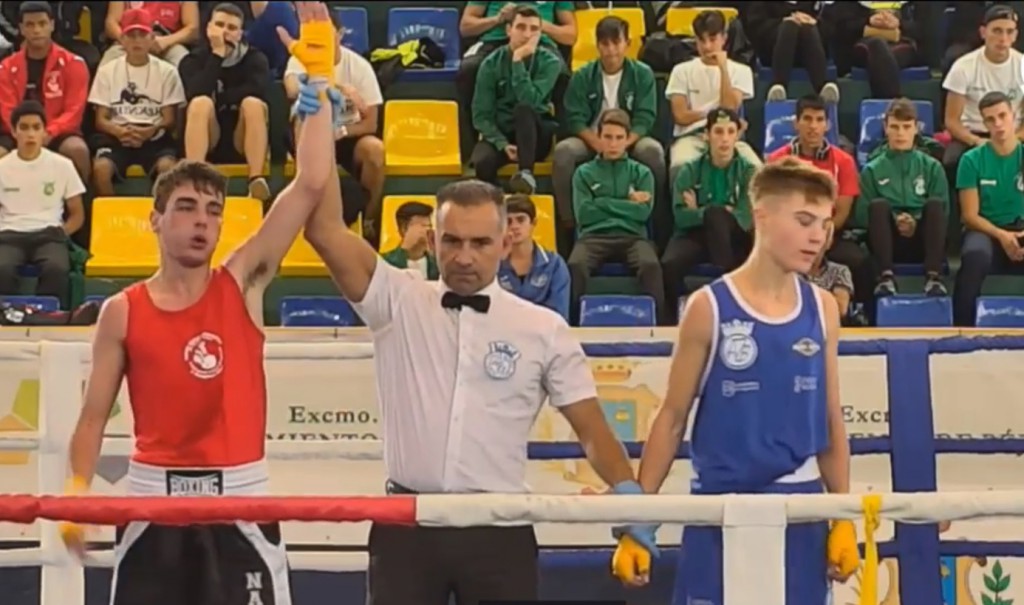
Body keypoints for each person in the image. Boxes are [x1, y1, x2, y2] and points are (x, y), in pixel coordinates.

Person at [301, 106, 642, 605]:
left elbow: (592, 429)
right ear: (432, 239)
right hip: (406, 525)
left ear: (505, 242)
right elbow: (324, 229)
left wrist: (632, 505)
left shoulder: (544, 328)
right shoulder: (397, 299)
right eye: (452, 241)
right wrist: (316, 119)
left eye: (480, 242)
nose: (464, 256)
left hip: (499, 529)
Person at [59, 4, 337, 604]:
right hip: (150, 498)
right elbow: (90, 419)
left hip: (240, 495)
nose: (202, 223)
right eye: (186, 207)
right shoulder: (123, 311)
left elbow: (311, 184)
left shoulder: (242, 284)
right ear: (155, 219)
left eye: (213, 211)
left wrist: (318, 76)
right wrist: (77, 494)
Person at [610, 158, 860, 605]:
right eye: (804, 221)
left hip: (801, 508)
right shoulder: (710, 307)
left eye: (824, 223)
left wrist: (842, 512)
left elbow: (830, 417)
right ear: (761, 216)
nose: (818, 236)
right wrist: (639, 518)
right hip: (718, 508)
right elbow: (671, 418)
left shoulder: (824, 308)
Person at [554, 15, 664, 251]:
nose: (611, 50)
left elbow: (645, 117)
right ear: (597, 45)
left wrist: (623, 142)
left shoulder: (642, 74)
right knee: (564, 152)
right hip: (592, 138)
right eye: (605, 43)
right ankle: (569, 225)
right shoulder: (583, 76)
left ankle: (656, 222)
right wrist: (598, 142)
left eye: (616, 43)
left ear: (628, 43)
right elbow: (574, 118)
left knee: (652, 151)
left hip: (630, 138)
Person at [284, 9, 384, 243]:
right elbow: (291, 88)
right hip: (309, 134)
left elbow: (371, 123)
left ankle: (368, 220)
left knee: (375, 151)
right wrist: (336, 87)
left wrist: (339, 132)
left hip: (346, 134)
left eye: (326, 34)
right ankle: (306, 202)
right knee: (305, 117)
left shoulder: (360, 67)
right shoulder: (301, 58)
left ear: (340, 34)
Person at [767, 95, 872, 313]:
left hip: (829, 232)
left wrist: (822, 233)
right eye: (807, 119)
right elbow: (773, 205)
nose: (813, 126)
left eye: (819, 120)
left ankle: (860, 315)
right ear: (796, 123)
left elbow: (842, 211)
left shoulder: (843, 161)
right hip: (790, 234)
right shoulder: (777, 161)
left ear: (827, 124)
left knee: (861, 262)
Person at [567, 108, 664, 325]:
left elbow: (643, 213)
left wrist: (600, 202)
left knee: (651, 265)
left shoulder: (642, 173)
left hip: (633, 236)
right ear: (599, 138)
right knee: (575, 266)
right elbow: (584, 214)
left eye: (619, 138)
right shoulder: (583, 173)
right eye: (608, 137)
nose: (613, 143)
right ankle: (571, 327)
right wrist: (626, 202)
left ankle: (661, 326)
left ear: (627, 139)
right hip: (593, 236)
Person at [87, 7, 186, 196]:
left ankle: (159, 217)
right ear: (122, 39)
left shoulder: (167, 72)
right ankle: (112, 219)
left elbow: (169, 119)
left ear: (152, 38)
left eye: (142, 35)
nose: (137, 41)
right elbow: (101, 119)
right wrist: (119, 131)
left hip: (154, 135)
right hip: (117, 135)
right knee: (101, 170)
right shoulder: (107, 70)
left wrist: (148, 131)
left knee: (168, 169)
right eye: (131, 35)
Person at [180, 2, 272, 202]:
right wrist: (217, 55)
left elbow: (257, 90)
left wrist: (222, 97)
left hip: (242, 138)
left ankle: (256, 179)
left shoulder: (255, 59)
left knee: (253, 104)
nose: (225, 32)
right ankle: (194, 179)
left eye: (232, 28)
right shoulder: (194, 60)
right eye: (220, 25)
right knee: (200, 103)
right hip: (210, 138)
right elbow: (195, 92)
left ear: (240, 34)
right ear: (208, 28)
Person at [859, 98, 949, 297]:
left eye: (906, 127)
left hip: (923, 239)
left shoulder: (932, 167)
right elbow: (862, 217)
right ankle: (885, 278)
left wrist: (915, 222)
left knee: (934, 205)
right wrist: (895, 219)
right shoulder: (872, 169)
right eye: (895, 127)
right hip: (886, 239)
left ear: (916, 128)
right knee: (878, 206)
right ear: (885, 127)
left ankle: (934, 278)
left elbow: (944, 213)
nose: (900, 133)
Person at [0, 100, 85, 308]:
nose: (30, 134)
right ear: (13, 131)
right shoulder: (2, 167)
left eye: (36, 128)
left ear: (44, 132)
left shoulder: (63, 165)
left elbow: (77, 214)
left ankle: (49, 317)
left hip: (49, 234)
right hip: (9, 234)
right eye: (24, 127)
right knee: (2, 267)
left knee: (56, 268)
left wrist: (62, 233)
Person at [471, 5, 561, 194]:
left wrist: (518, 60)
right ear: (508, 30)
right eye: (521, 27)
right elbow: (481, 115)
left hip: (535, 133)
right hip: (503, 132)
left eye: (534, 29)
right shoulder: (490, 64)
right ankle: (505, 195)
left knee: (524, 109)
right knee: (481, 163)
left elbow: (531, 101)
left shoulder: (550, 62)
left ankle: (526, 173)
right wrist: (501, 144)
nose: (527, 35)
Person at [953, 91, 1024, 327]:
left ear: (1013, 116)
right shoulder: (971, 160)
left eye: (1002, 116)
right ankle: (961, 330)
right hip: (986, 230)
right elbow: (970, 215)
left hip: (1021, 227)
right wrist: (1002, 235)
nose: (998, 124)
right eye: (991, 119)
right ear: (984, 123)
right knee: (974, 255)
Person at [665, 9, 759, 185]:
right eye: (701, 40)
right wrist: (713, 116)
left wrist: (723, 68)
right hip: (691, 136)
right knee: (680, 165)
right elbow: (681, 116)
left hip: (729, 138)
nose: (707, 46)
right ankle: (683, 212)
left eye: (713, 39)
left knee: (755, 168)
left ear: (724, 38)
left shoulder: (741, 71)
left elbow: (729, 109)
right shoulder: (681, 71)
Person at [0, 1, 90, 180]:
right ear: (21, 28)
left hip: (58, 132)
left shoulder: (74, 64)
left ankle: (79, 205)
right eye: (30, 25)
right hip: (16, 132)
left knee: (77, 150)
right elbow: (6, 109)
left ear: (52, 25)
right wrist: (26, 133)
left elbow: (74, 111)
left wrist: (48, 132)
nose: (36, 30)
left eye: (42, 24)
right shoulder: (6, 67)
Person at [942, 5, 1023, 178]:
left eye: (1009, 32)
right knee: (952, 161)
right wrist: (977, 141)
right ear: (983, 32)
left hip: (1013, 133)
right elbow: (951, 121)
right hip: (973, 135)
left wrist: (1013, 140)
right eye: (997, 31)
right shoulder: (963, 67)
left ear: (1015, 36)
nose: (1003, 38)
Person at [744, 1, 840, 103]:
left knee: (807, 28)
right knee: (789, 27)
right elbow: (756, 27)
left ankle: (823, 89)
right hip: (773, 50)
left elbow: (831, 28)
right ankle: (778, 86)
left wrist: (814, 23)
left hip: (809, 50)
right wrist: (784, 21)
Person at [498, 193, 570, 320]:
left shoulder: (555, 264)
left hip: (543, 335)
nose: (514, 226)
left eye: (521, 220)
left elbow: (559, 314)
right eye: (508, 221)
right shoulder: (493, 264)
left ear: (533, 223)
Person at [101, 1, 200, 67]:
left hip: (167, 41)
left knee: (185, 63)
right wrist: (126, 40)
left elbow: (193, 28)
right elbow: (111, 23)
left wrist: (166, 42)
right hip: (129, 39)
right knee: (109, 61)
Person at [381, 200, 439, 281]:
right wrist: (404, 249)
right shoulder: (384, 262)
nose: (428, 230)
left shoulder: (437, 264)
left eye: (429, 225)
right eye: (423, 225)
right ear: (404, 229)